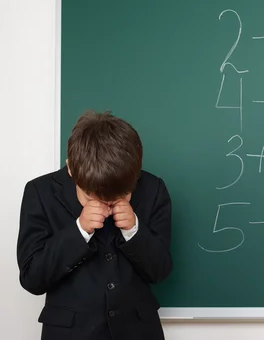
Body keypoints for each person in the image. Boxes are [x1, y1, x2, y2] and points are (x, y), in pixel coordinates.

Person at [16, 110, 173, 340]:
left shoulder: (153, 189)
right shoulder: (40, 193)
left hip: (138, 332)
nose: (106, 206)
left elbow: (160, 270)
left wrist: (133, 230)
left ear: (135, 176)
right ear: (71, 170)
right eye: (93, 197)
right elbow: (32, 278)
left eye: (120, 195)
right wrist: (79, 230)